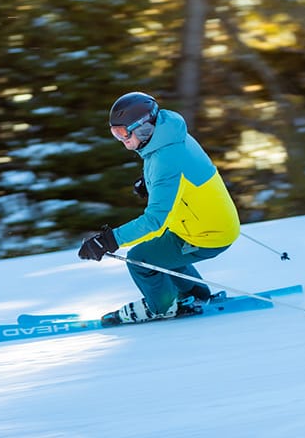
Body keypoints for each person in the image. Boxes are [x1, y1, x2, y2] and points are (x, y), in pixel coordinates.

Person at [78, 91, 241, 325]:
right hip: (206, 222)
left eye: (123, 132)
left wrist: (109, 241)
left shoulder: (165, 159)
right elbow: (184, 177)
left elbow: (154, 221)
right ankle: (196, 295)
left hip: (208, 234)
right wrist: (151, 185)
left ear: (144, 127)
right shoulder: (170, 135)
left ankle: (162, 307)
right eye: (115, 133)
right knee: (163, 250)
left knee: (141, 259)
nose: (121, 140)